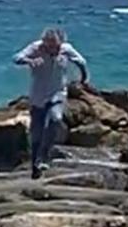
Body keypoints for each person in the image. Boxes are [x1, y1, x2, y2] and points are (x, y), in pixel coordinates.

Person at [13, 27, 88, 179]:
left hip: (58, 93)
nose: (52, 48)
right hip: (38, 95)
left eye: (55, 45)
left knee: (56, 119)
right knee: (37, 132)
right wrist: (29, 61)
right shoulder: (36, 48)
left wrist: (83, 78)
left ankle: (45, 155)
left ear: (61, 42)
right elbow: (17, 57)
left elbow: (81, 61)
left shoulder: (66, 49)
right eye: (49, 45)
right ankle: (35, 164)